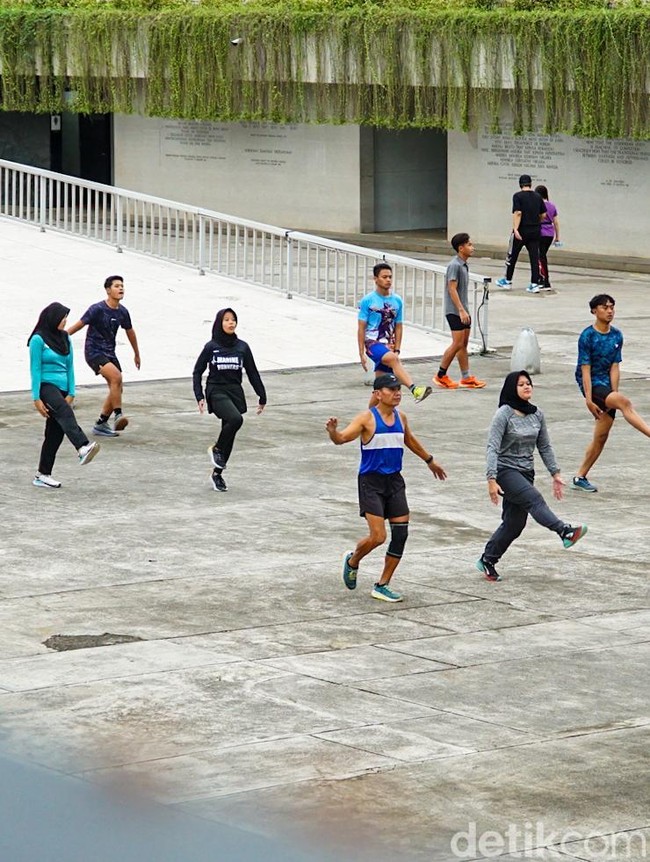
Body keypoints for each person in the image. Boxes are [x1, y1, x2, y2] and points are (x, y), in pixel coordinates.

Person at [326, 372, 447, 602]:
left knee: (401, 534)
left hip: (395, 481)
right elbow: (341, 439)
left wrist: (430, 460)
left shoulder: (401, 418)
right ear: (378, 394)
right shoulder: (366, 419)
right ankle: (353, 560)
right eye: (391, 390)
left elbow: (409, 440)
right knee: (378, 536)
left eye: (398, 389)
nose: (397, 393)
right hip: (371, 482)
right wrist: (333, 431)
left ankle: (382, 584)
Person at [476, 370, 587, 582]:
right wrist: (491, 479)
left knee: (514, 524)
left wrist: (555, 472)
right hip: (505, 471)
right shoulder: (504, 414)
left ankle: (487, 559)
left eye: (529, 383)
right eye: (521, 384)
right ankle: (564, 532)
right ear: (512, 389)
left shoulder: (537, 414)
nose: (527, 387)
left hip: (526, 471)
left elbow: (544, 445)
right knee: (534, 499)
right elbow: (492, 447)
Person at [572, 294, 650, 493]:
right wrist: (589, 400)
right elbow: (585, 369)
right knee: (625, 402)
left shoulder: (617, 335)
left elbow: (615, 367)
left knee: (601, 436)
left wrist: (613, 395)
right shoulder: (587, 336)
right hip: (591, 383)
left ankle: (580, 476)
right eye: (605, 307)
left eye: (612, 307)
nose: (609, 311)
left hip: (606, 387)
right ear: (594, 311)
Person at [192, 307, 266, 492]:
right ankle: (216, 449)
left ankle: (217, 475)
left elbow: (252, 372)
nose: (230, 323)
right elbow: (197, 371)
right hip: (216, 391)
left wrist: (262, 394)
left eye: (233, 319)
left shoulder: (242, 347)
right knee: (236, 419)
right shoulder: (211, 347)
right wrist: (199, 395)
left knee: (230, 432)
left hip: (234, 391)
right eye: (226, 320)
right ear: (219, 323)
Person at [28, 302, 100, 488]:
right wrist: (36, 398)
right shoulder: (38, 340)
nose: (65, 321)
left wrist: (72, 392)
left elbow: (70, 367)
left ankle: (42, 475)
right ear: (52, 319)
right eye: (62, 318)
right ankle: (82, 446)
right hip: (46, 386)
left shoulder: (65, 338)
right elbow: (35, 369)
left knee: (55, 433)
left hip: (63, 388)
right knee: (64, 412)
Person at [67, 275, 141, 437]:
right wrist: (60, 337)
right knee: (116, 377)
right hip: (94, 352)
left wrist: (136, 353)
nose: (120, 289)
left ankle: (101, 423)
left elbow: (130, 332)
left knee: (117, 387)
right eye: (116, 286)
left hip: (110, 352)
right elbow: (79, 325)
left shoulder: (122, 312)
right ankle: (118, 414)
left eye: (122, 286)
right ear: (108, 290)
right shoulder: (97, 309)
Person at [358, 263, 432, 404]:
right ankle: (414, 389)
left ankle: (369, 417)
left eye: (390, 277)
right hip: (372, 343)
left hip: (389, 346)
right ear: (376, 279)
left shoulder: (397, 300)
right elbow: (361, 327)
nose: (388, 280)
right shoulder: (368, 300)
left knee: (382, 386)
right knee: (393, 361)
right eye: (384, 277)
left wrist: (397, 348)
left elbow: (398, 326)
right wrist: (361, 352)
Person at [433, 233, 486, 390]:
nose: (472, 247)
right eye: (469, 245)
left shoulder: (463, 264)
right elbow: (452, 289)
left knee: (463, 344)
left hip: (464, 310)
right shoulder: (454, 265)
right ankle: (440, 375)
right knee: (457, 344)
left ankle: (466, 377)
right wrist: (461, 310)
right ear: (460, 248)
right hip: (455, 311)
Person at [496, 174, 547, 294]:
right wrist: (536, 221)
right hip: (535, 231)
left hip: (522, 230)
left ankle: (507, 280)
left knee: (512, 255)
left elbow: (518, 213)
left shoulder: (517, 196)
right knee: (534, 258)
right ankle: (534, 283)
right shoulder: (537, 196)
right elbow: (543, 215)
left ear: (520, 184)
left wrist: (516, 229)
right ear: (530, 184)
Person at [534, 185, 561, 290]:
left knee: (540, 257)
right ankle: (543, 279)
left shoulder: (538, 205)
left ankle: (544, 279)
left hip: (540, 232)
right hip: (550, 233)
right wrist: (557, 237)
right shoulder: (552, 206)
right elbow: (556, 222)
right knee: (542, 256)